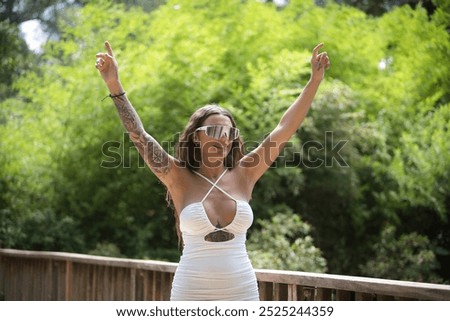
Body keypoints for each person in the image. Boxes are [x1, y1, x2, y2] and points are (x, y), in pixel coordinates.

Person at [95, 41, 330, 301]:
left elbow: (284, 129)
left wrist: (314, 82)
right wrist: (113, 84)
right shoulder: (178, 176)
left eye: (229, 133)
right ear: (197, 137)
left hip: (242, 292)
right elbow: (139, 135)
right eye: (215, 131)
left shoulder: (245, 173)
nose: (223, 139)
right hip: (191, 293)